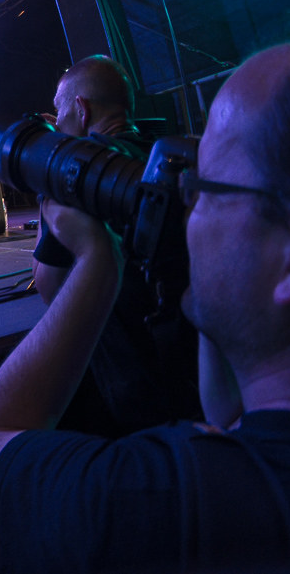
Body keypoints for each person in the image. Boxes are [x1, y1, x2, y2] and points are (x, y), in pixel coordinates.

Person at [0, 39, 290, 573]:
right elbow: (224, 411)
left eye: (204, 185)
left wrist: (98, 259)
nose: (180, 205)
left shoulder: (164, 506)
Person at [33, 55, 199, 435]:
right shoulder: (173, 157)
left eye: (59, 110)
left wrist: (49, 203)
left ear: (81, 108)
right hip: (201, 370)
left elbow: (49, 287)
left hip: (136, 391)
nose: (56, 123)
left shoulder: (77, 178)